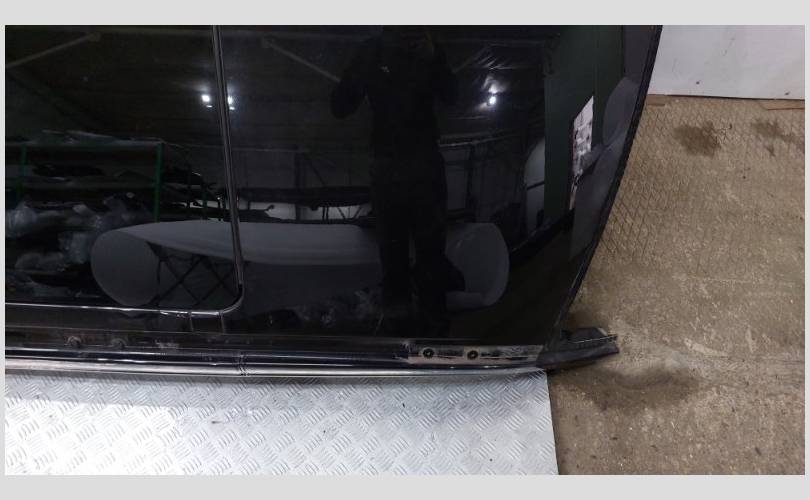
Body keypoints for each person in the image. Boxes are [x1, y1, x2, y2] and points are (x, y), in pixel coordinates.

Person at [330, 26, 460, 335]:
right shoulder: (372, 50)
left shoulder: (427, 49)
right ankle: (404, 330)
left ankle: (430, 330)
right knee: (395, 255)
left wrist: (433, 59)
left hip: (418, 162)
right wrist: (364, 69)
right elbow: (340, 106)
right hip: (393, 164)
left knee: (427, 254)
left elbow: (453, 96)